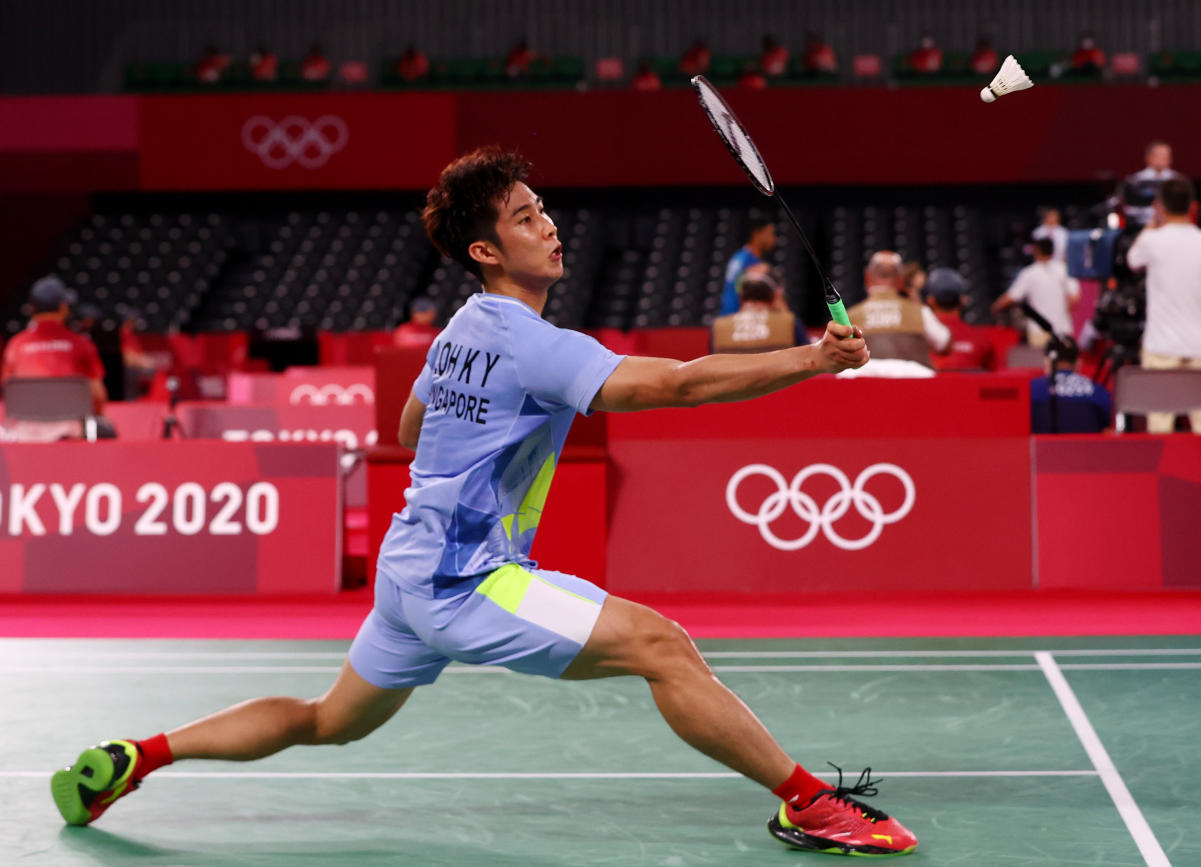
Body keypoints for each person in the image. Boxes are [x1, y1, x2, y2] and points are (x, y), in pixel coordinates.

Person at [50, 146, 917, 858]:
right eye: (525, 217)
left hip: (408, 565)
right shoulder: (532, 343)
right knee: (663, 644)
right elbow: (676, 387)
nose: (549, 223)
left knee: (329, 720)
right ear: (485, 252)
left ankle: (138, 757)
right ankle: (807, 803)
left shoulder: (461, 328)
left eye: (543, 207)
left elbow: (410, 415)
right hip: (466, 577)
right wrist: (812, 360)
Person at [1126, 176, 1201, 433]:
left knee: (1160, 427)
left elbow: (1132, 260)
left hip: (1161, 346)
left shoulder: (1152, 240)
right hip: (1198, 346)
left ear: (1160, 206)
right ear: (1193, 207)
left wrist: (1152, 224)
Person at [1, 276, 107, 415]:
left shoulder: (15, 344)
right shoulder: (82, 343)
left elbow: (7, 390)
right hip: (71, 429)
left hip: (24, 428)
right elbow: (98, 395)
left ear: (31, 309)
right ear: (64, 307)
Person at [847, 250, 951, 370]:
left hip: (864, 386)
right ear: (901, 280)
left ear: (867, 277)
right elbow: (945, 344)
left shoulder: (849, 316)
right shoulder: (920, 312)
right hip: (915, 385)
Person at [991, 238, 1079, 348]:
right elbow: (1075, 298)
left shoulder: (1029, 273)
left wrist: (995, 307)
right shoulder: (1064, 270)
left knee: (1039, 364)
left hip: (1038, 330)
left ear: (1036, 251)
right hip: (1062, 330)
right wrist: (1065, 316)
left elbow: (1011, 298)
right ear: (1052, 251)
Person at [711, 266, 806, 352]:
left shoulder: (718, 327)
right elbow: (810, 363)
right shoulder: (790, 323)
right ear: (775, 296)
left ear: (740, 297)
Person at [1030, 335, 1111, 433]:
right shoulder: (1097, 391)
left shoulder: (1030, 390)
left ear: (1047, 362)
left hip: (1042, 448)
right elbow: (1107, 428)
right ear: (1078, 363)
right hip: (1086, 447)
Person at [925, 268, 996, 371]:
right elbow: (997, 380)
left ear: (930, 301)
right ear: (963, 300)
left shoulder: (917, 340)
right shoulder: (983, 340)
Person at [1120, 141, 1184, 228]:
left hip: (1173, 225)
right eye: (1160, 155)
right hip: (1141, 225)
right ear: (1148, 157)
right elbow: (1129, 208)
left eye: (1167, 155)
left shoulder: (1178, 180)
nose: (1164, 158)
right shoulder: (1136, 181)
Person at [720, 216, 776, 315]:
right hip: (736, 317)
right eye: (770, 234)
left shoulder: (750, 259)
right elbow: (736, 290)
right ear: (757, 234)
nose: (774, 239)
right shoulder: (742, 260)